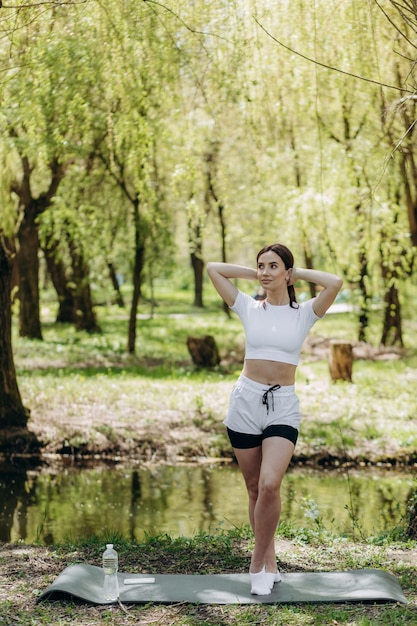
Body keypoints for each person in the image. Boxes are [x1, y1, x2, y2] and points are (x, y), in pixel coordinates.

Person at [207, 243, 342, 596]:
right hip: (245, 403)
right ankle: (270, 560)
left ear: (287, 272)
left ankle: (256, 562)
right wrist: (254, 274)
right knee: (254, 489)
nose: (265, 272)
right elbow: (213, 269)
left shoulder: (305, 313)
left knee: (269, 484)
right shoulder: (249, 307)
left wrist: (297, 273)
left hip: (282, 405)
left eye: (273, 266)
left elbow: (335, 282)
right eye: (260, 266)